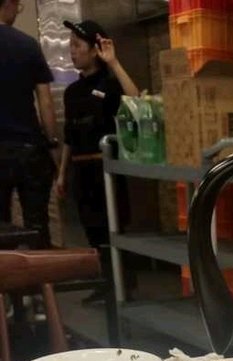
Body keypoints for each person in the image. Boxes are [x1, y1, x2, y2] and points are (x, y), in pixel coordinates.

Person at [56, 20, 139, 300]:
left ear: (94, 50)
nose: (72, 51)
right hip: (81, 169)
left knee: (112, 226)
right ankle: (105, 283)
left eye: (77, 46)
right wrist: (62, 173)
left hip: (106, 169)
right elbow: (68, 135)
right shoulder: (72, 92)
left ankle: (124, 285)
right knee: (92, 231)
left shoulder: (110, 84)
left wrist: (113, 62)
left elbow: (136, 101)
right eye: (70, 45)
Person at [0, 0, 59, 248]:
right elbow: (45, 101)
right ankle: (43, 272)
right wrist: (53, 143)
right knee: (37, 226)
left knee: (1, 229)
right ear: (8, 4)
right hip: (29, 149)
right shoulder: (28, 45)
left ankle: (6, 272)